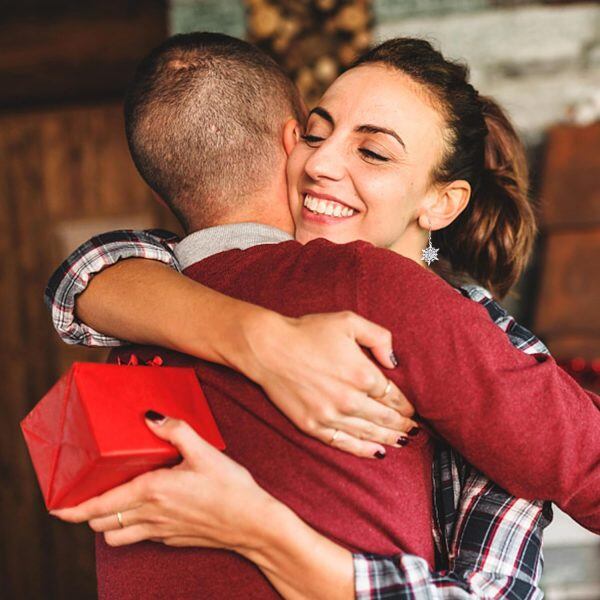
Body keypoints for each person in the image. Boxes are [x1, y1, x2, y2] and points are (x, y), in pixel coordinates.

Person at [49, 34, 600, 599]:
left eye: (373, 152)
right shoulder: (179, 272)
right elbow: (80, 278)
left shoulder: (474, 333)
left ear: (441, 202)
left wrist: (260, 531)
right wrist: (264, 340)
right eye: (316, 134)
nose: (320, 163)